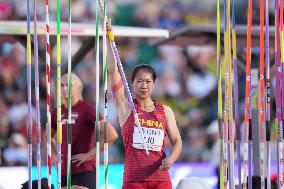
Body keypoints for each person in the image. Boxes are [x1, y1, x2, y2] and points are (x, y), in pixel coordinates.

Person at [106, 19, 182, 189]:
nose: (144, 85)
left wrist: (170, 159)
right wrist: (108, 39)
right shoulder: (126, 108)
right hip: (134, 179)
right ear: (132, 84)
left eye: (148, 81)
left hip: (160, 178)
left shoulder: (165, 111)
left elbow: (177, 141)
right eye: (139, 81)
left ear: (154, 84)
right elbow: (112, 70)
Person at [51, 73, 118, 189]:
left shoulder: (88, 110)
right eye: (61, 85)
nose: (64, 88)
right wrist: (53, 153)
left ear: (78, 88)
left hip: (85, 168)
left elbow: (111, 135)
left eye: (68, 85)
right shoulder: (56, 112)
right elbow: (47, 137)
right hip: (64, 169)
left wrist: (89, 155)